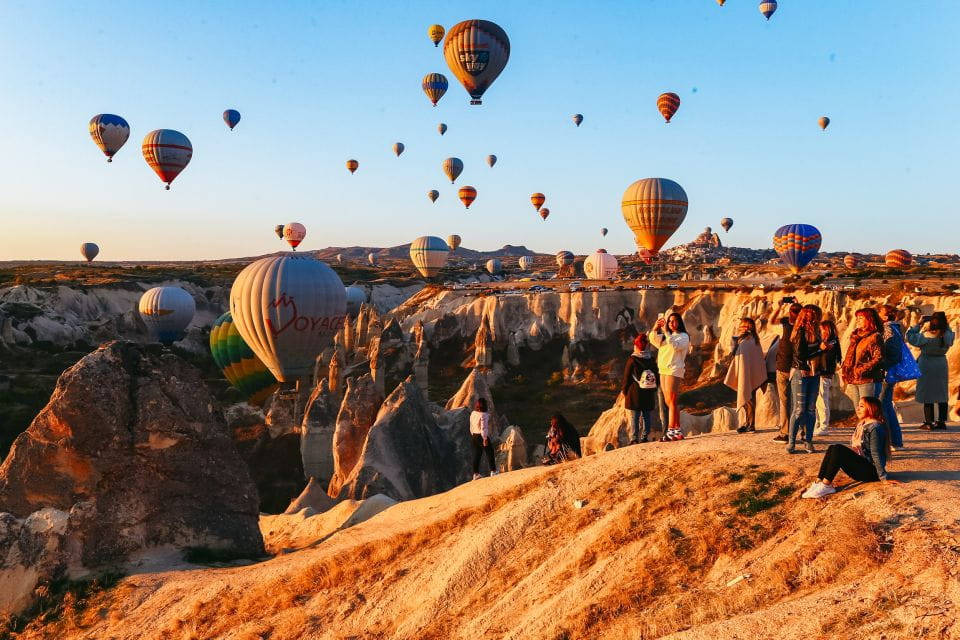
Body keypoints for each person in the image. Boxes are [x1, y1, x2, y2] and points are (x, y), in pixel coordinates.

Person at [802, 396, 896, 499]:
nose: (858, 409)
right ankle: (818, 482)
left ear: (871, 409)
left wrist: (883, 478)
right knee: (832, 448)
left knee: (838, 449)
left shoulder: (875, 428)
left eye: (861, 406)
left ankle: (826, 485)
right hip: (862, 466)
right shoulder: (862, 424)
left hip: (871, 472)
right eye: (858, 406)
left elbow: (875, 453)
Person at [907, 311, 955, 430]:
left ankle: (928, 422)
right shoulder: (948, 335)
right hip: (941, 364)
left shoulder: (926, 335)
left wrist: (919, 324)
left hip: (926, 364)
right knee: (941, 393)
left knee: (928, 393)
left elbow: (910, 336)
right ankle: (942, 422)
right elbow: (948, 331)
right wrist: (945, 324)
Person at [788, 305, 823, 454]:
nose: (813, 318)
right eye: (811, 316)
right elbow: (799, 353)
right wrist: (820, 349)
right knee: (799, 409)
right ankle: (791, 442)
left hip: (814, 372)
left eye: (815, 315)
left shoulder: (817, 331)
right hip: (801, 372)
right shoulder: (800, 331)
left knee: (810, 409)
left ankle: (808, 440)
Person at [649, 311, 690, 433]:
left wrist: (666, 332)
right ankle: (677, 429)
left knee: (672, 400)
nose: (671, 323)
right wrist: (656, 327)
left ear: (679, 322)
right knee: (668, 401)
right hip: (663, 369)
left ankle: (671, 430)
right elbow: (653, 339)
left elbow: (675, 346)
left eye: (674, 321)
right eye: (669, 321)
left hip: (674, 369)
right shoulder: (666, 337)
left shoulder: (683, 336)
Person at [724, 318, 767, 433]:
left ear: (748, 328)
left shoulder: (747, 342)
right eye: (741, 326)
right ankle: (747, 423)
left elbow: (747, 359)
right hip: (749, 374)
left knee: (749, 399)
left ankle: (751, 424)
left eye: (743, 326)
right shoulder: (749, 341)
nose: (741, 328)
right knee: (748, 399)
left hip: (748, 375)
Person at [771, 301, 803, 443]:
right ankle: (803, 432)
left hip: (784, 367)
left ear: (790, 312)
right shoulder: (805, 327)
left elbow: (770, 322)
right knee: (800, 401)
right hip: (798, 368)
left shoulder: (784, 326)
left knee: (785, 402)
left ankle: (785, 433)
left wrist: (779, 306)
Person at [841, 308, 884, 407]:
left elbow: (878, 358)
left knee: (868, 410)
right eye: (857, 318)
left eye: (861, 318)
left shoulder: (874, 337)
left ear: (869, 319)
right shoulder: (856, 336)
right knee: (859, 411)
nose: (857, 320)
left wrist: (861, 370)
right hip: (853, 378)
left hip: (867, 379)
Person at [620, 333, 659, 443]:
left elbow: (627, 377)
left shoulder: (632, 360)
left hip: (635, 392)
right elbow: (656, 374)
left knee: (635, 417)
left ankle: (634, 439)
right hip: (648, 392)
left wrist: (625, 391)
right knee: (646, 416)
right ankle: (645, 437)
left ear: (636, 346)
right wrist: (654, 389)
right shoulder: (651, 359)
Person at [879, 305, 905, 448]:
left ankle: (888, 442)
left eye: (880, 312)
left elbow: (892, 353)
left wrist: (883, 367)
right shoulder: (894, 328)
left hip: (886, 373)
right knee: (887, 406)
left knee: (882, 407)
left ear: (885, 317)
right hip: (890, 371)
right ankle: (896, 441)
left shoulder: (888, 329)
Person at [813, 319, 842, 437]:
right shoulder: (830, 342)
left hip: (824, 374)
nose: (819, 332)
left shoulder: (831, 343)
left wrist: (820, 349)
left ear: (827, 330)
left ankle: (824, 426)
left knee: (821, 400)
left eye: (821, 329)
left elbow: (827, 359)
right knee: (817, 400)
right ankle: (817, 424)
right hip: (822, 374)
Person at [469, 398, 497, 479]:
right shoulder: (484, 415)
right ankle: (493, 471)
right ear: (485, 405)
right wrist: (485, 439)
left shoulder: (473, 413)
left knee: (477, 455)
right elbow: (484, 428)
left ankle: (475, 474)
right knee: (490, 452)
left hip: (474, 435)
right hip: (481, 436)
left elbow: (471, 425)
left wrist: (473, 434)